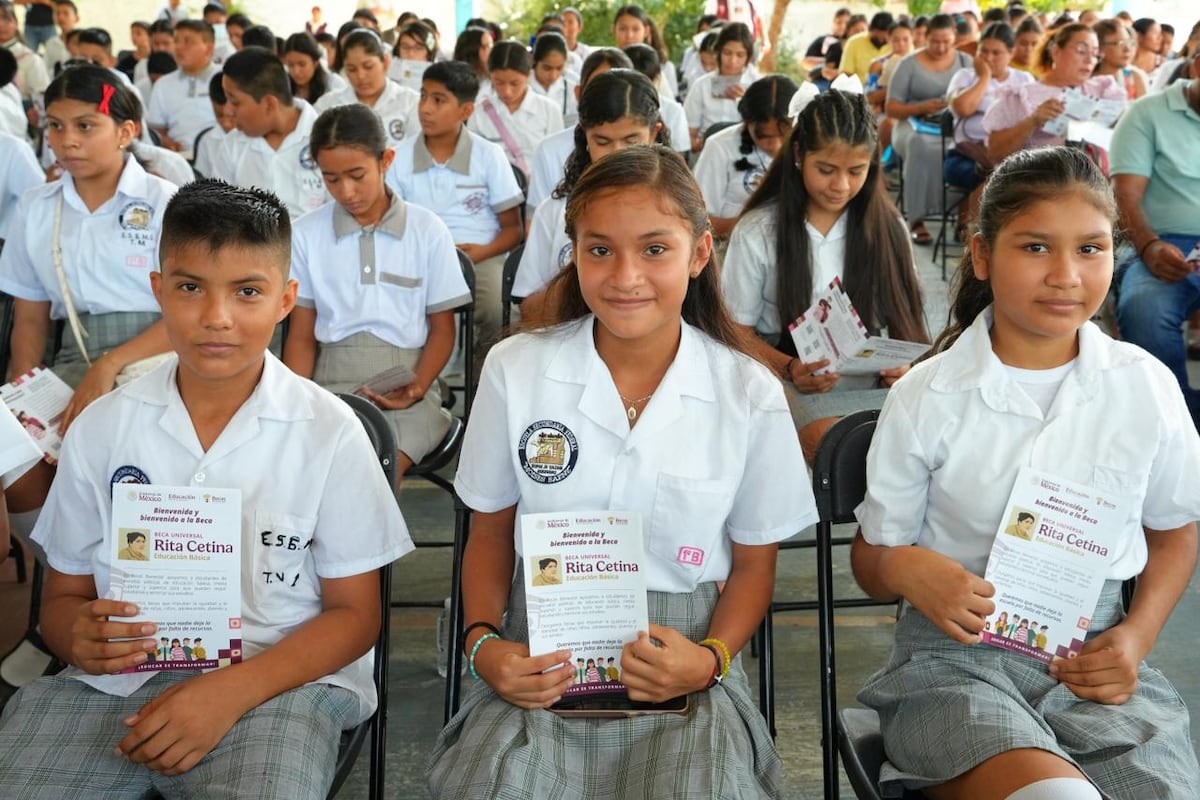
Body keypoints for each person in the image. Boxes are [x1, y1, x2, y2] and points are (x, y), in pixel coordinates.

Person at [427, 144, 818, 798]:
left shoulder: (746, 391)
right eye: (599, 249)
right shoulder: (515, 370)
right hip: (538, 654)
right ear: (572, 252)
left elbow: (754, 565)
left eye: (655, 249)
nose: (624, 275)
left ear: (698, 254)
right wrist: (483, 645)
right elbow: (489, 534)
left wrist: (710, 661)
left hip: (686, 659)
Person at [0, 177, 412, 798]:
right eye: (191, 288)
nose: (217, 317)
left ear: (285, 300)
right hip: (116, 682)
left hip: (279, 679)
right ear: (158, 290)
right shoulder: (104, 429)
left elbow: (355, 617)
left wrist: (230, 690)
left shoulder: (330, 432)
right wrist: (75, 637)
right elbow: (65, 600)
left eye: (248, 291)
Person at [851, 145, 1200, 800]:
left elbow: (1176, 529)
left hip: (1090, 664)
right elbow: (873, 559)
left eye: (1091, 249)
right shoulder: (927, 396)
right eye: (1035, 248)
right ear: (982, 256)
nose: (1066, 275)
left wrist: (1135, 636)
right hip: (954, 668)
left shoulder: (1145, 388)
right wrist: (903, 568)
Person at [722, 87, 928, 460]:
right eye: (827, 170)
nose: (841, 186)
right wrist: (788, 367)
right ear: (799, 155)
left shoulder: (888, 228)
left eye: (856, 171)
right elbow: (735, 329)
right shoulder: (759, 231)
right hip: (785, 379)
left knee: (917, 445)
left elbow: (904, 322)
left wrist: (902, 368)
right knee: (836, 446)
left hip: (871, 384)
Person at [284, 104, 470, 483]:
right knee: (319, 462)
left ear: (386, 160)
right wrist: (295, 400)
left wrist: (418, 385)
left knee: (380, 465)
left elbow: (443, 330)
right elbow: (302, 335)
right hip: (329, 383)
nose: (346, 192)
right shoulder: (305, 234)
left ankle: (367, 540)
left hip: (410, 386)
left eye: (357, 175)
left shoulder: (426, 229)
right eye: (331, 179)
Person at [0, 65, 175, 426]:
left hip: (164, 358)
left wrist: (111, 364)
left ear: (125, 131)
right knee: (20, 467)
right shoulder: (36, 208)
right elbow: (30, 323)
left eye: (85, 125)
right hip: (72, 360)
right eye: (55, 125)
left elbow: (193, 311)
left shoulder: (168, 203)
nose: (67, 140)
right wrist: (19, 404)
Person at [385, 60, 522, 357]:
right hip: (417, 258)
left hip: (480, 257)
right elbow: (391, 225)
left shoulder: (488, 155)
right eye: (423, 96)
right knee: (395, 305)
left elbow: (514, 229)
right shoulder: (399, 157)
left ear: (466, 111)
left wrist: (482, 253)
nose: (425, 108)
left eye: (439, 100)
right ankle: (430, 378)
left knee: (495, 311)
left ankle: (482, 375)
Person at [514, 69, 669, 322]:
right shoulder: (555, 211)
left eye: (632, 140)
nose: (616, 154)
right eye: (603, 141)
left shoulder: (676, 207)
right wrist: (584, 275)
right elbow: (529, 309)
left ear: (654, 133)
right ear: (585, 138)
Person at [1110, 50, 1200, 428]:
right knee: (1145, 308)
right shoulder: (1147, 113)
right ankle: (1176, 424)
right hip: (1161, 243)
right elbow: (1125, 195)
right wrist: (1149, 245)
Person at [983, 23, 1126, 165]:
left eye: (1095, 54)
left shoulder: (1103, 90)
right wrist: (1033, 121)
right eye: (1082, 51)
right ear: (1056, 52)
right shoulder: (1021, 96)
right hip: (1039, 180)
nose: (1089, 60)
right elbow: (995, 153)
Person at [886, 13, 973, 246]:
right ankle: (916, 219)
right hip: (911, 125)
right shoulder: (909, 65)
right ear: (925, 38)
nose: (941, 47)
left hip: (952, 127)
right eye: (935, 41)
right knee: (920, 146)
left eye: (947, 41)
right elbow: (891, 107)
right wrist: (921, 106)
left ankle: (961, 217)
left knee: (968, 148)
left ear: (954, 38)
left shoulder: (966, 62)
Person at [214, 47, 329, 219]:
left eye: (235, 102)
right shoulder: (232, 146)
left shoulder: (327, 138)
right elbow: (219, 214)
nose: (228, 111)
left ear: (269, 104)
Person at [946, 22, 1032, 229]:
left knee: (1020, 175)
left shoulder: (1024, 79)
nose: (988, 58)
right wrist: (984, 76)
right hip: (966, 156)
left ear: (1011, 53)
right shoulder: (965, 76)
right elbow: (963, 109)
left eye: (996, 53)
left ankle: (987, 228)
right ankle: (977, 228)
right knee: (1001, 176)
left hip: (1010, 155)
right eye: (983, 51)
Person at [525, 48, 633, 212]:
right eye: (598, 89)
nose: (610, 98)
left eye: (630, 140)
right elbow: (535, 223)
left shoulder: (652, 150)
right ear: (579, 93)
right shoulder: (549, 151)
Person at [694, 74, 796, 239]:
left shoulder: (808, 146)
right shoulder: (719, 147)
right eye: (765, 136)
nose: (776, 145)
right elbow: (699, 220)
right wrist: (758, 225)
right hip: (731, 244)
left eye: (784, 135)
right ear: (747, 122)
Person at [469, 40, 564, 180]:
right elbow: (473, 158)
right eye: (499, 83)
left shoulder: (549, 110)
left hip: (537, 192)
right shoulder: (479, 113)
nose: (507, 92)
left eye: (515, 83)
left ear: (528, 76)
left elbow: (558, 157)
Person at [314, 29, 418, 146]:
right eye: (352, 69)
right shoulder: (328, 105)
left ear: (385, 62)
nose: (361, 76)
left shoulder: (410, 102)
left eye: (368, 67)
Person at [145, 19, 218, 156]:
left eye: (188, 41)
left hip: (219, 157)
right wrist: (167, 142)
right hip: (179, 158)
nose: (179, 47)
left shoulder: (223, 80)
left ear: (209, 48)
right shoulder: (163, 84)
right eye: (176, 41)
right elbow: (157, 130)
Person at [684, 22, 757, 152]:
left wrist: (747, 100)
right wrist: (697, 145)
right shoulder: (702, 85)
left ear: (748, 57)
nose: (733, 61)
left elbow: (763, 130)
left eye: (740, 55)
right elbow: (689, 132)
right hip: (706, 151)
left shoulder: (757, 86)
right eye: (727, 53)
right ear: (718, 51)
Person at [530, 31, 578, 127]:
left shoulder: (571, 89)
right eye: (547, 68)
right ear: (534, 61)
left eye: (559, 68)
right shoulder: (523, 86)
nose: (553, 75)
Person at [281, 31, 342, 106]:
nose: (296, 71)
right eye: (290, 65)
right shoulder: (283, 88)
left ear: (315, 63)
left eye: (302, 64)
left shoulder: (333, 84)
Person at [1092, 18, 1147, 101]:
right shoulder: (1086, 80)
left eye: (1129, 42)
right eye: (1120, 44)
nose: (1127, 49)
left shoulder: (1134, 78)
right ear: (1099, 48)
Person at [840, 12, 892, 83]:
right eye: (877, 38)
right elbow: (845, 74)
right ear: (869, 29)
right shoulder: (854, 42)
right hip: (859, 90)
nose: (880, 41)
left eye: (884, 39)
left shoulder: (899, 44)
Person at [388, 19, 436, 92]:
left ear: (429, 52)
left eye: (418, 48)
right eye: (405, 47)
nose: (411, 53)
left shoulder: (440, 79)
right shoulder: (388, 77)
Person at [452, 26, 492, 93]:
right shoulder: (456, 83)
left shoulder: (494, 78)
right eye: (486, 46)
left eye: (491, 46)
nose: (491, 51)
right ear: (472, 50)